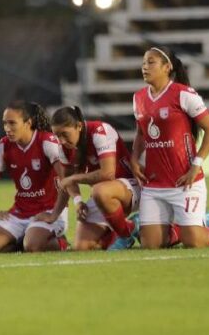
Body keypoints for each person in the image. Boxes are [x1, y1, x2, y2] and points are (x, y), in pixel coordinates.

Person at [131, 46, 209, 249]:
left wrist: (196, 165)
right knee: (151, 244)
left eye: (151, 62)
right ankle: (182, 228)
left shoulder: (183, 94)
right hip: (154, 185)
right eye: (144, 63)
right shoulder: (138, 98)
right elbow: (140, 133)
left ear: (167, 67)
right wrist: (135, 158)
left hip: (185, 182)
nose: (145, 67)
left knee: (195, 242)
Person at [41, 106, 139, 251]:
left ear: (79, 126)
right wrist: (77, 202)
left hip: (131, 188)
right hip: (104, 196)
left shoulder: (100, 131)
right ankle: (130, 226)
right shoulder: (64, 148)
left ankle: (125, 234)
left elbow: (108, 174)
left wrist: (74, 178)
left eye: (64, 134)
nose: (61, 140)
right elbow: (66, 182)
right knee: (81, 247)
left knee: (99, 191)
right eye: (57, 135)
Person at [0, 101, 69, 253]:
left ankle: (61, 243)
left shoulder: (47, 142)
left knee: (32, 246)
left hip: (48, 211)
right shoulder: (3, 146)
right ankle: (21, 239)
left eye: (12, 123)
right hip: (19, 213)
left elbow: (66, 181)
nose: (7, 129)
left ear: (28, 123)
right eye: (5, 124)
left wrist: (54, 215)